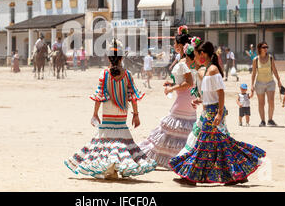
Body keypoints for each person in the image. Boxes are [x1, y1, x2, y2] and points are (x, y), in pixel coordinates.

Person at [169, 41, 266, 186]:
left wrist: (219, 114)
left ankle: (192, 177)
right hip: (208, 110)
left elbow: (221, 93)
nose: (194, 58)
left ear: (203, 54)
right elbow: (210, 93)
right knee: (219, 144)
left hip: (213, 112)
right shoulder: (207, 69)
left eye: (195, 55)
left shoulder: (213, 70)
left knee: (205, 144)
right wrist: (199, 100)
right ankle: (235, 175)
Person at [64, 39, 156, 179]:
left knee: (105, 139)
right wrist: (136, 114)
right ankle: (116, 167)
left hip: (107, 111)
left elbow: (99, 96)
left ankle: (110, 169)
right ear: (121, 57)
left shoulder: (104, 74)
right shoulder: (127, 74)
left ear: (108, 57)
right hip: (121, 112)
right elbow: (133, 97)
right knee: (120, 138)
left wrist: (95, 114)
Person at [139, 26, 197, 169]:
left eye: (175, 44)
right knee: (184, 133)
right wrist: (172, 83)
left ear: (181, 46)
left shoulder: (183, 63)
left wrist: (172, 88)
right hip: (190, 100)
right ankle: (179, 158)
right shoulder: (190, 62)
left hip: (184, 100)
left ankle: (156, 156)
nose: (174, 46)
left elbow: (189, 83)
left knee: (168, 130)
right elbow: (188, 81)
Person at [251, 41, 282, 127]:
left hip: (270, 82)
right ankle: (262, 120)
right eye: (264, 47)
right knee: (261, 103)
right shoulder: (255, 60)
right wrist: (251, 85)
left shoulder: (270, 58)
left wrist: (279, 80)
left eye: (266, 47)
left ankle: (270, 119)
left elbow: (274, 70)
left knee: (271, 101)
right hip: (259, 83)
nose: (266, 49)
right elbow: (253, 73)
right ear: (259, 49)